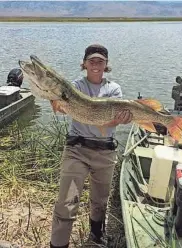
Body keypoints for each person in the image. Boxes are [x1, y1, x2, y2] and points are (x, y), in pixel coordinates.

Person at [50, 44, 132, 248]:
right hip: (76, 150)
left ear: (106, 65)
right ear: (84, 64)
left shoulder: (113, 89)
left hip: (105, 151)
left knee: (99, 201)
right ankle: (58, 245)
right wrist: (53, 98)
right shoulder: (75, 87)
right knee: (66, 202)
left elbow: (111, 119)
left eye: (100, 61)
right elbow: (60, 109)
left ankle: (96, 237)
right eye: (92, 61)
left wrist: (120, 119)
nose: (96, 65)